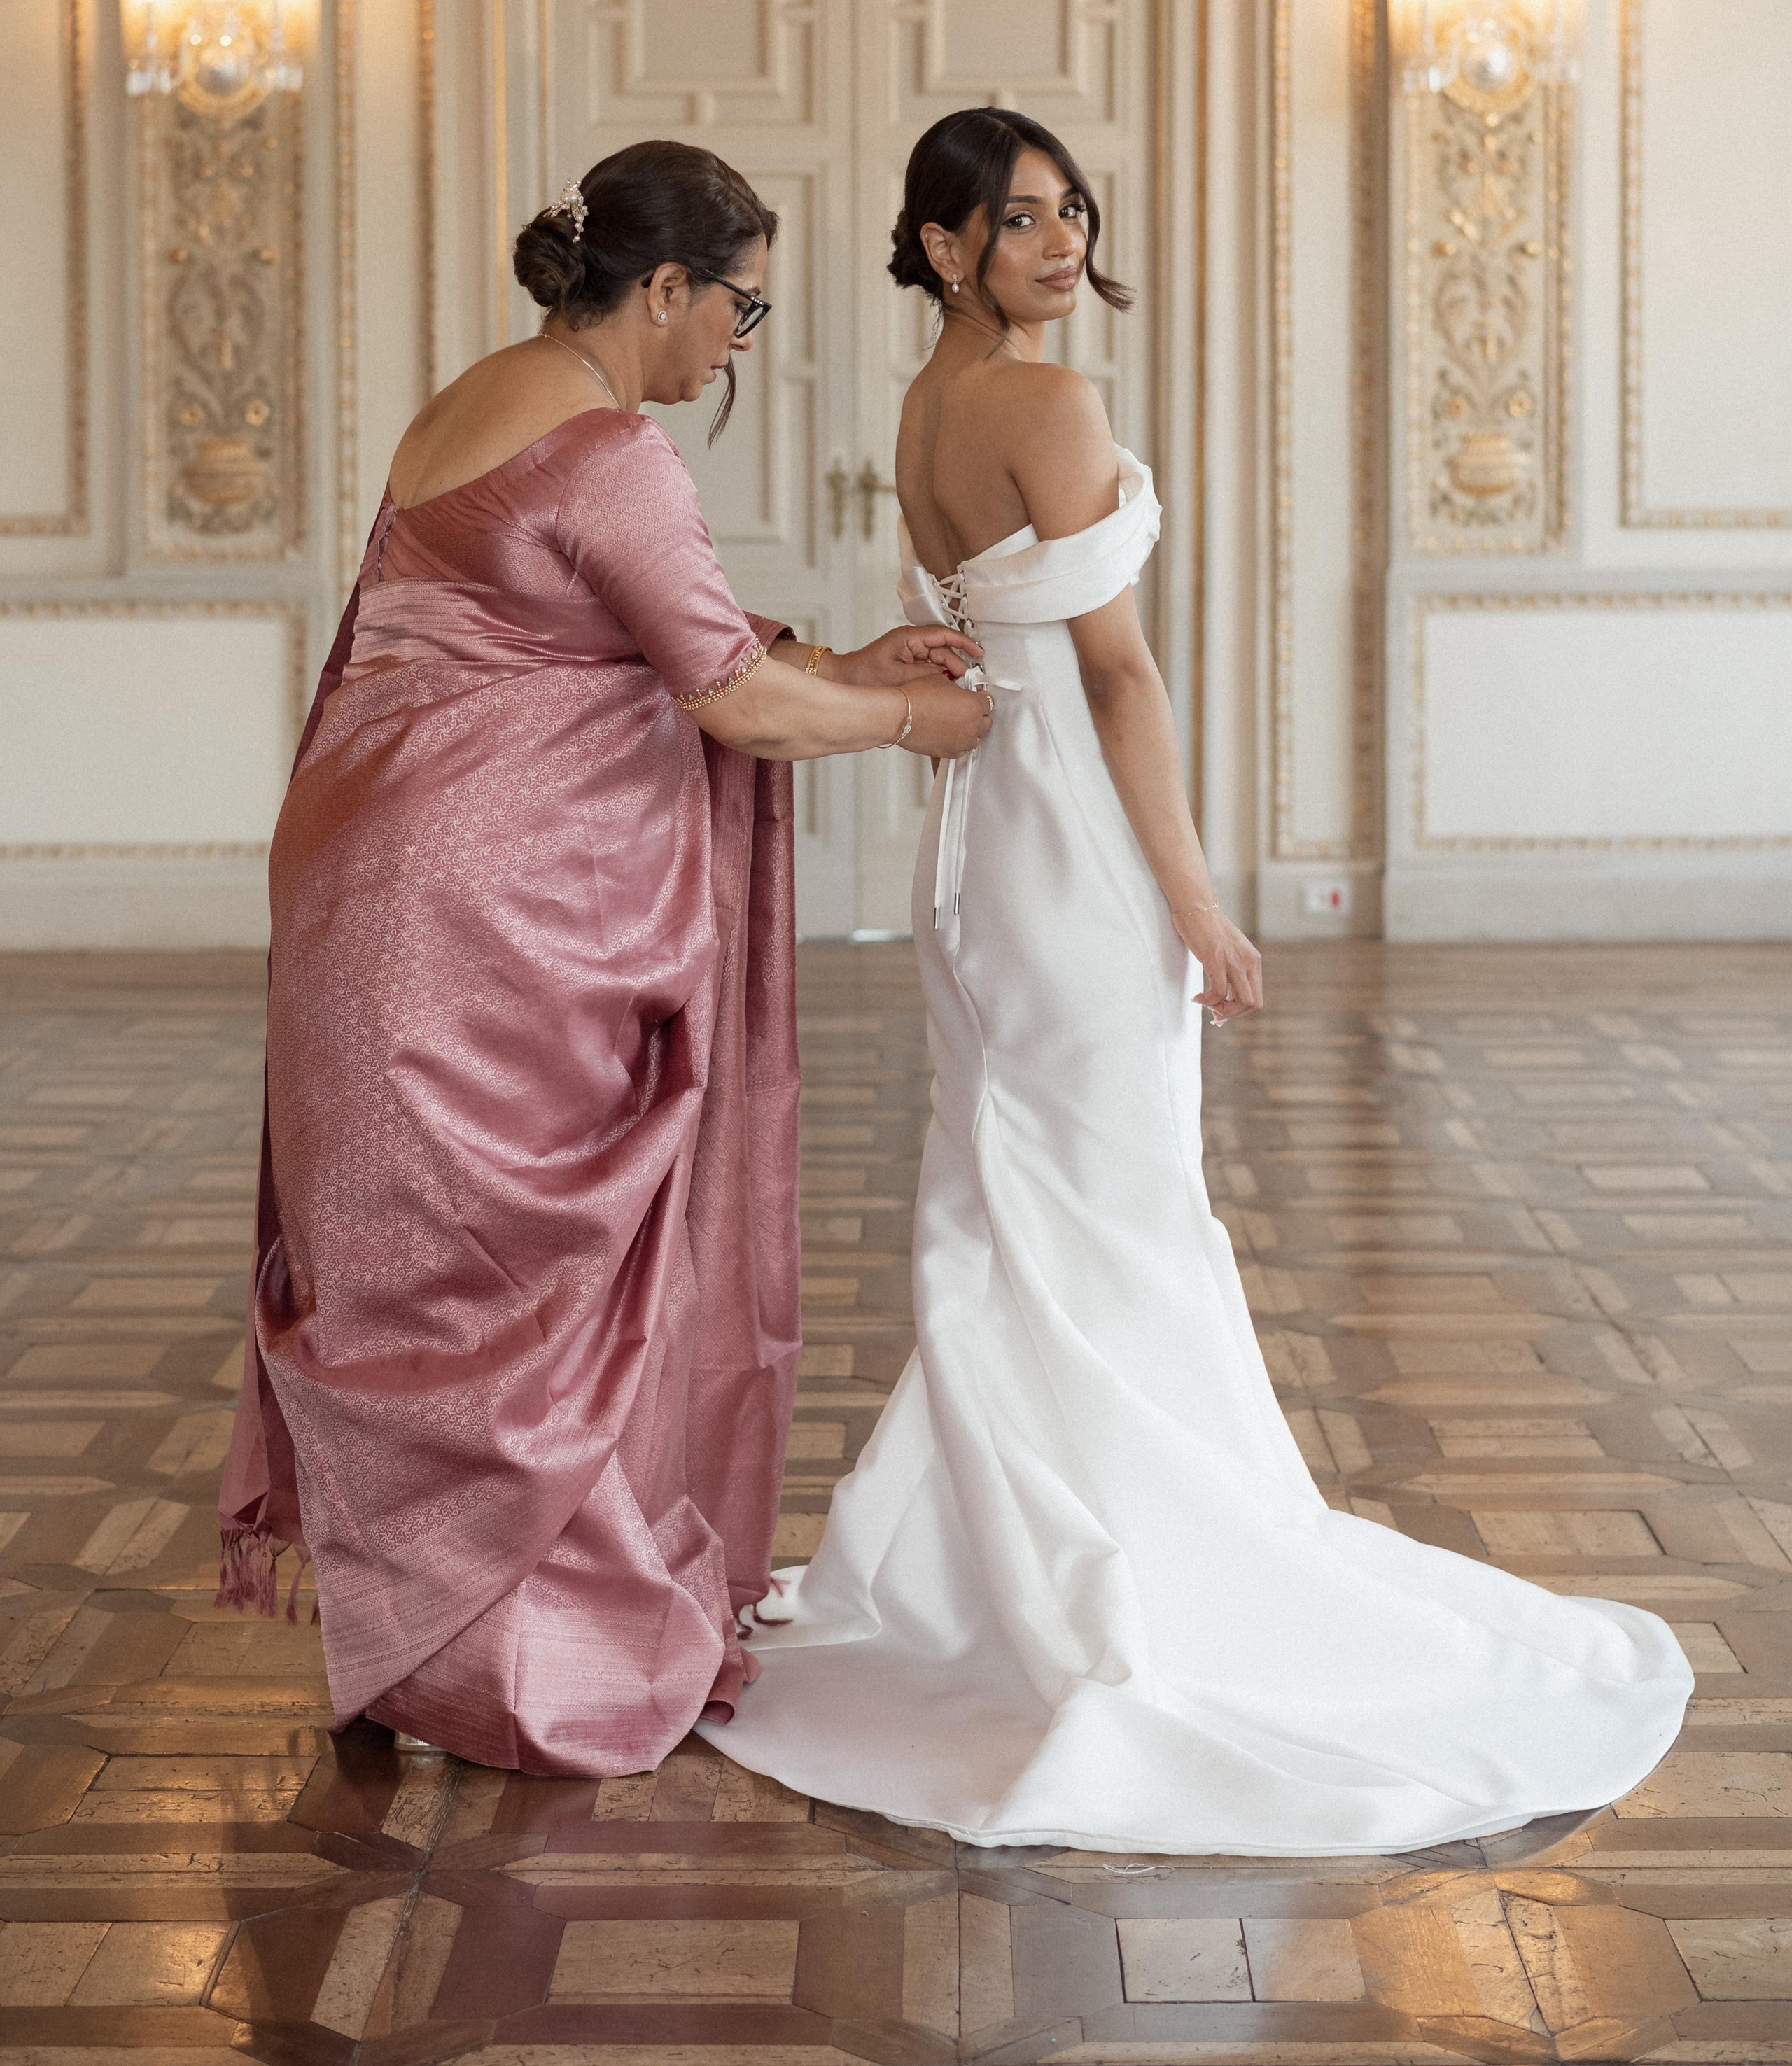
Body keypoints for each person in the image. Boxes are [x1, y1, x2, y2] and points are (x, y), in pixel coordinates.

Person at [700, 106, 1692, 1853]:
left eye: (1070, 212)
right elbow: (1117, 680)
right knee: (1120, 1202)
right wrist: (1197, 903)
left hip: (968, 847)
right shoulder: (1046, 403)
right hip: (1067, 845)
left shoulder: (926, 407)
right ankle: (1144, 1572)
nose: (1058, 244)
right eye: (1014, 222)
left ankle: (1000, 1568)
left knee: (1017, 1199)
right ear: (939, 246)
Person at [216, 139, 991, 1778]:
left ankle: (437, 1647)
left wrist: (838, 657)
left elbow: (583, 632)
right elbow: (729, 700)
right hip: (481, 926)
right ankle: (517, 1671)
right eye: (742, 307)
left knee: (416, 1279)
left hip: (361, 897)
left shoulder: (473, 400)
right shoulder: (612, 450)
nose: (736, 343)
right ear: (663, 289)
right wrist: (923, 716)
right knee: (521, 1275)